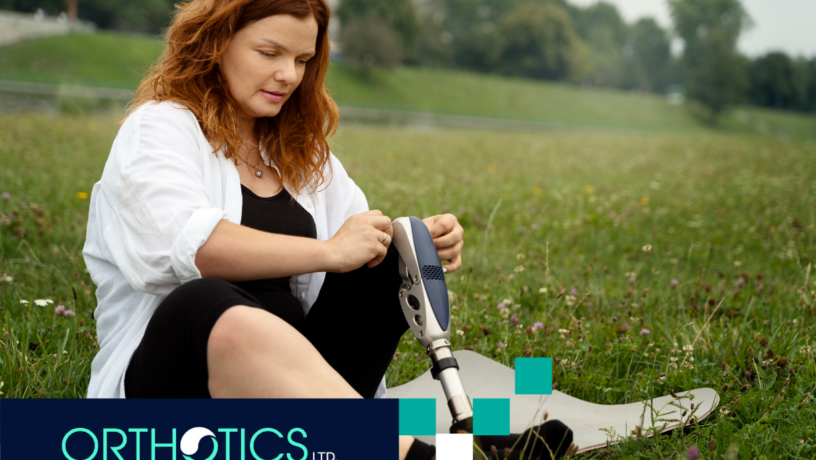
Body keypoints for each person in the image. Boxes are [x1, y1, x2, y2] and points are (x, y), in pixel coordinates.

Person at [83, 0, 572, 458]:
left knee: (391, 258)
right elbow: (192, 249)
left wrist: (418, 238)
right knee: (203, 301)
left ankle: (451, 440)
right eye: (269, 53)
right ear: (216, 41)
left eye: (302, 59)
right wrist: (329, 252)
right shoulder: (159, 128)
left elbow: (359, 242)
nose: (288, 75)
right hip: (183, 394)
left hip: (304, 390)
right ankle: (422, 455)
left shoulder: (299, 152)